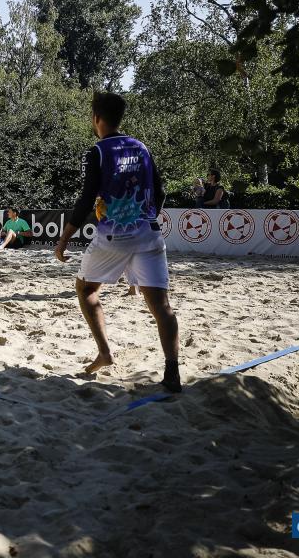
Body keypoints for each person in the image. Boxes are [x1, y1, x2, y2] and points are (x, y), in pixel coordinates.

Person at [54, 92, 182, 394]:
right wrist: (147, 218)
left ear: (97, 118)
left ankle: (105, 352)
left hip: (114, 236)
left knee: (86, 289)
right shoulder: (141, 147)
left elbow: (86, 200)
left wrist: (63, 240)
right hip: (148, 233)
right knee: (161, 306)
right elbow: (160, 192)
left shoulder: (97, 152)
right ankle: (173, 372)